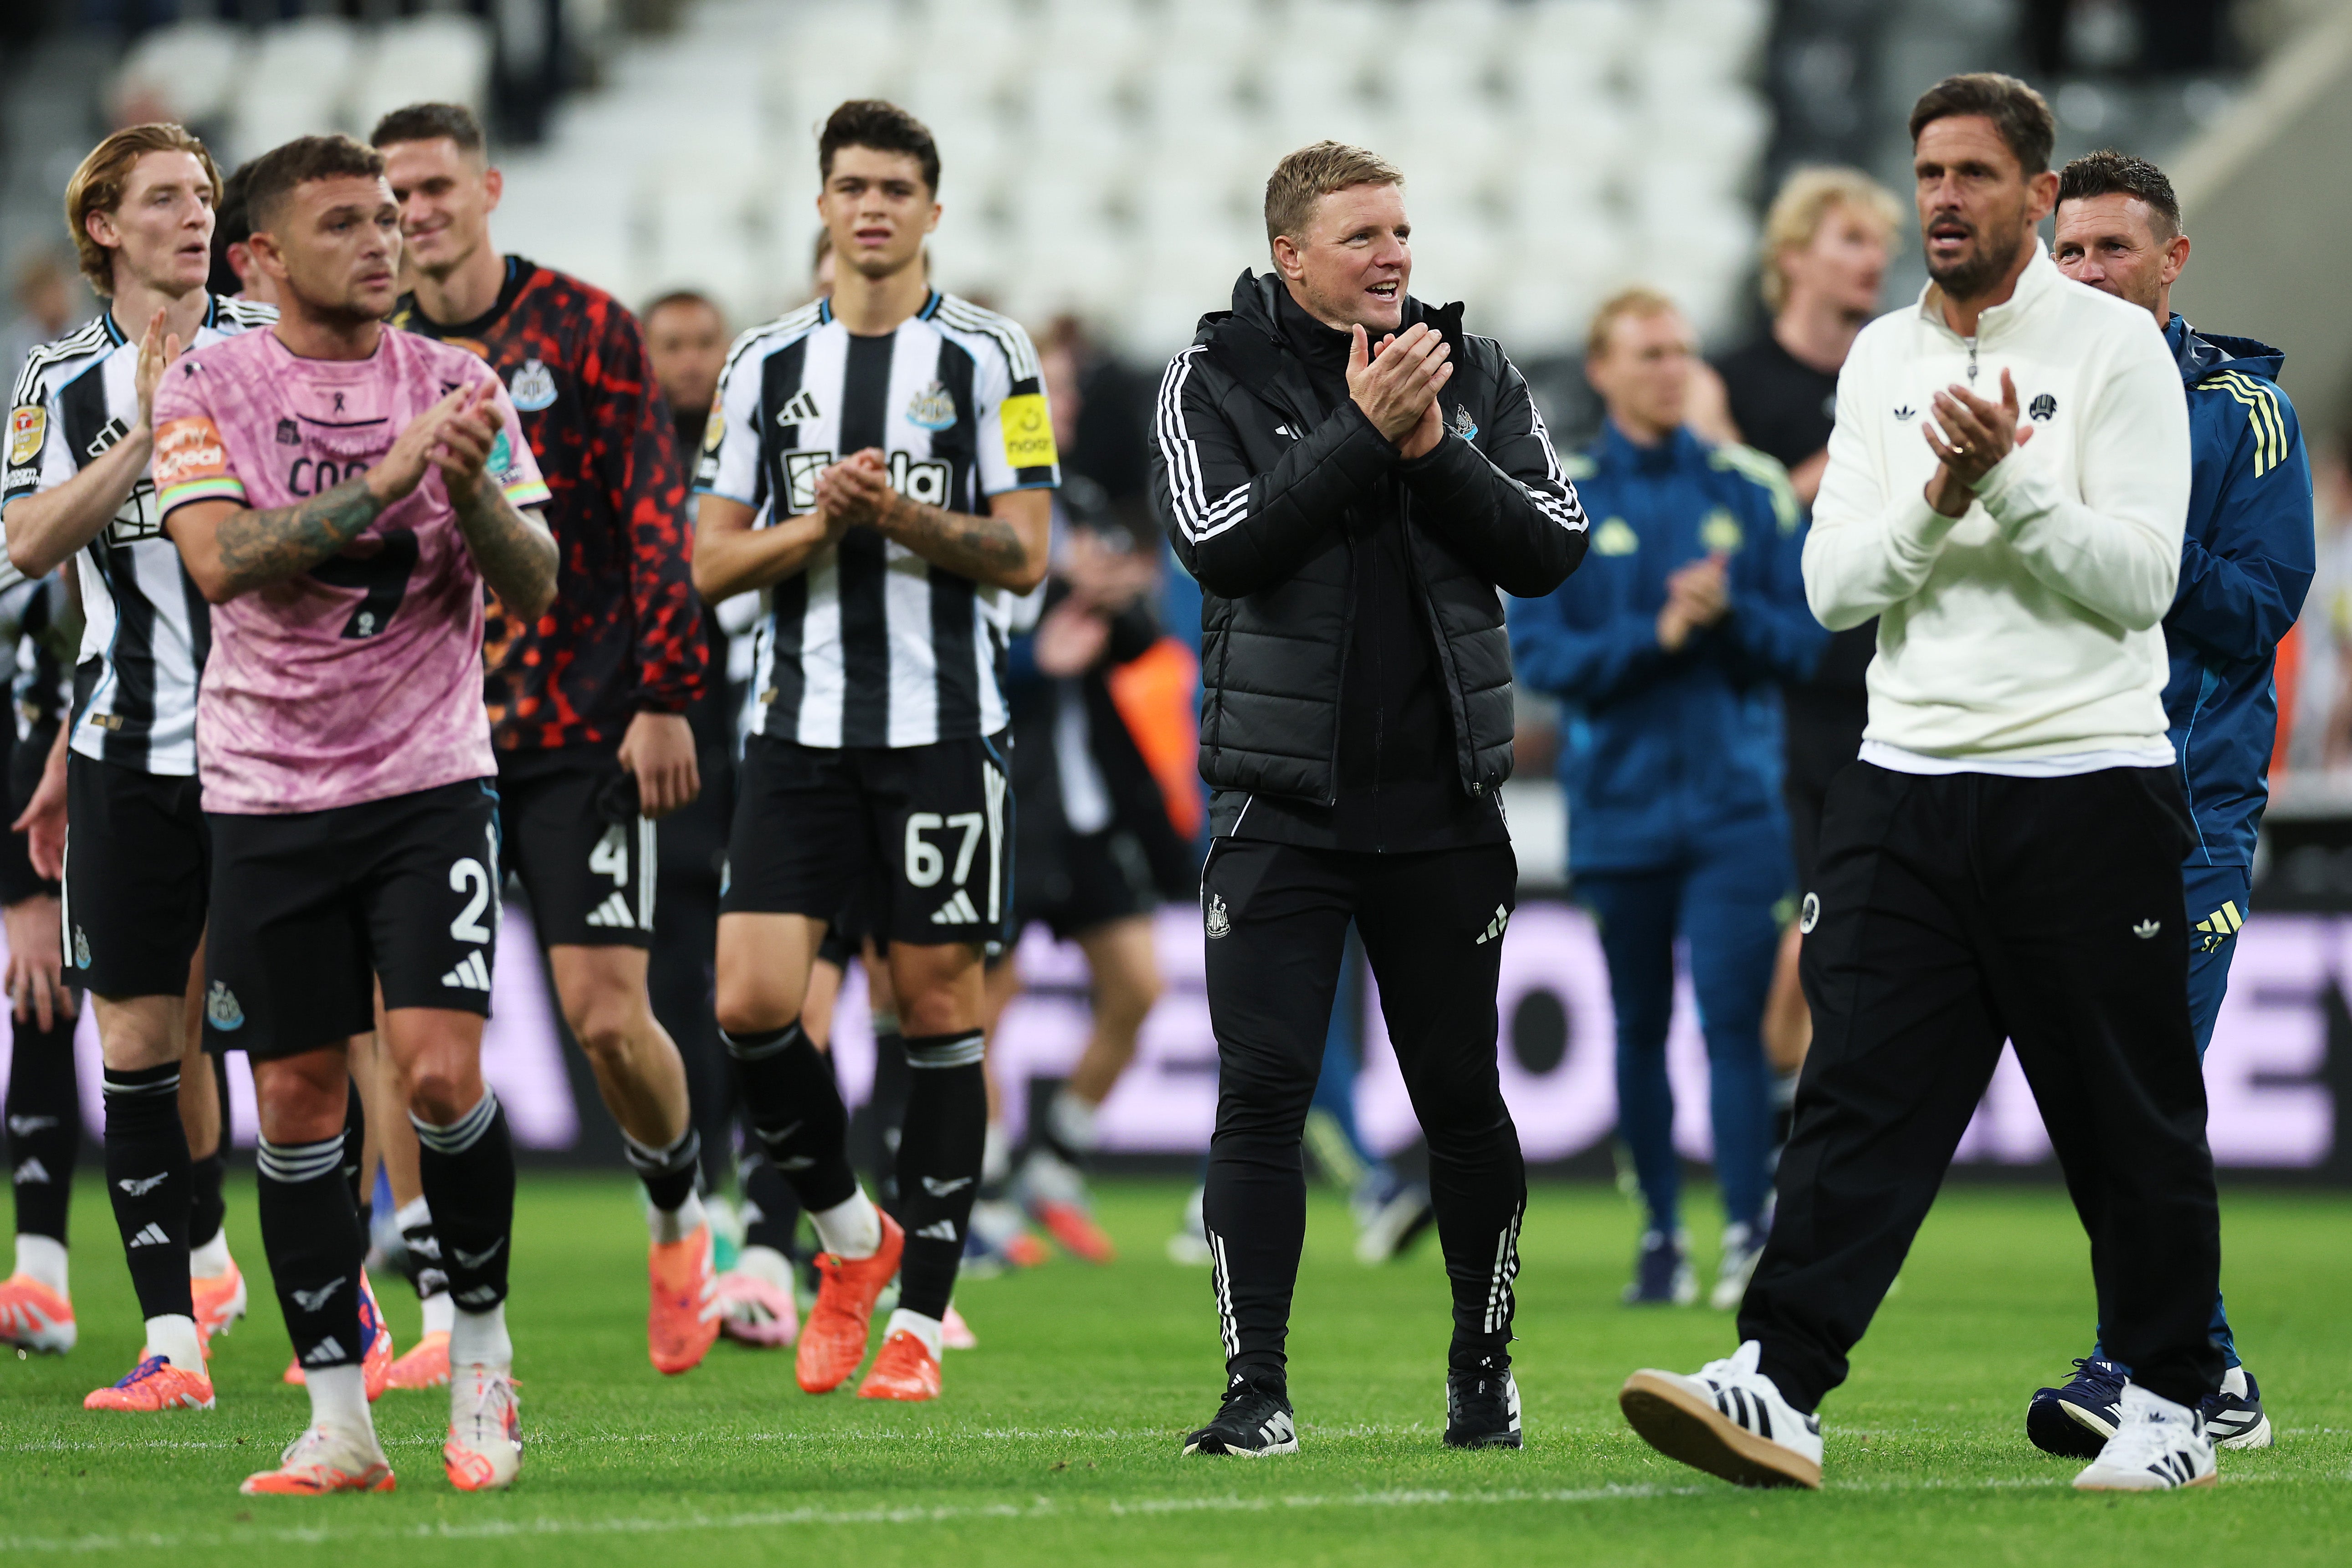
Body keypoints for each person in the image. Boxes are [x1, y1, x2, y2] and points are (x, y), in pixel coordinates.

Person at [1619, 73, 2223, 1494]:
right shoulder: (1883, 356)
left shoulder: (2118, 352)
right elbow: (1831, 588)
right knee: (1853, 1098)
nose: (1943, 198)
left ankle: (2172, 1402)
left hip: (2082, 780)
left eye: (1971, 174)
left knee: (2124, 1113)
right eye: (1927, 173)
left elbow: (2139, 584)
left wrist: (2006, 483)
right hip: (1902, 780)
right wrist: (1942, 501)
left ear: (2035, 191)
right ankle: (1777, 1379)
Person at [1153, 140, 1586, 1456]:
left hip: (1443, 807)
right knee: (1263, 1092)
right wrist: (1362, 436)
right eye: (1361, 237)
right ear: (1291, 255)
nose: (1394, 255)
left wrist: (1427, 445)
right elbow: (1220, 544)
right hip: (1277, 807)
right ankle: (1255, 1391)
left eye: (1401, 231)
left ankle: (1480, 1371)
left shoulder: (1477, 373)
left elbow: (1551, 545)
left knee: (1460, 1098)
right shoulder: (1209, 376)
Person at [150, 131, 558, 1495]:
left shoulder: (458, 378)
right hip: (265, 792)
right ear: (260, 257)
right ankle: (340, 1420)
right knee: (300, 1103)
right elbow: (219, 564)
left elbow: (540, 577)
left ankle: (482, 1358)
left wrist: (465, 491)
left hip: (430, 781)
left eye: (390, 217)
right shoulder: (206, 382)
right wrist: (387, 482)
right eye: (345, 223)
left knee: (440, 1073)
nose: (384, 240)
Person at [693, 99, 1054, 1404]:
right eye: (851, 184)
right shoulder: (762, 365)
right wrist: (817, 525)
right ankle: (852, 1237)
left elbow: (1026, 550)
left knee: (937, 1007)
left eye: (897, 187)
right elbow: (712, 560)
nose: (873, 207)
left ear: (932, 212)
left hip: (945, 731)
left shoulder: (992, 358)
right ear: (822, 203)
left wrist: (897, 509)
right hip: (797, 729)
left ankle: (918, 1321)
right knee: (748, 1002)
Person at [372, 102, 716, 1380]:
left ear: (489, 188)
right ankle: (430, 1310)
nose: (416, 209)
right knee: (404, 1034)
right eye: (394, 191)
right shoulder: (372, 348)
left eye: (435, 185)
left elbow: (651, 514)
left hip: (579, 726)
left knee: (605, 1018)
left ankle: (681, 1215)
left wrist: (667, 689)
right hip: (420, 739)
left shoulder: (583, 327)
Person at [2031, 147, 2311, 1457]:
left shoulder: (2242, 413)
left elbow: (2258, 608)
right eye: (2068, 252)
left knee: (2143, 1088)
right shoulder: (2020, 396)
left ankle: (2133, 1366)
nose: (2086, 273)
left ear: (2171, 259)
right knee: (2103, 1098)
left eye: (2110, 250)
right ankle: (2215, 1370)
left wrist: (2122, 540)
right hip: (2043, 797)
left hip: (2182, 809)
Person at [0, 123, 272, 1405]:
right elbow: (27, 546)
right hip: (126, 750)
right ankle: (174, 1338)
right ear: (103, 224)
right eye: (166, 197)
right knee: (139, 1045)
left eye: (207, 195)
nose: (197, 214)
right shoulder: (58, 377)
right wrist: (143, 437)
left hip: (278, 747)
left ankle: (362, 1310)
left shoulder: (277, 344)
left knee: (301, 1043)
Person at [1511, 287, 1824, 1312]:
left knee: (1732, 1020)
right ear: (1600, 369)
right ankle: (1658, 1233)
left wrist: (1729, 616)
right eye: (1647, 353)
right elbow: (1541, 656)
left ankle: (1745, 1229)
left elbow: (1810, 643)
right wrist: (1661, 635)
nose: (1670, 370)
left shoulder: (1752, 488)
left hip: (1736, 805)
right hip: (1620, 807)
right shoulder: (1564, 495)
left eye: (1682, 352)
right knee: (1638, 1021)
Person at [1711, 169, 1900, 1106]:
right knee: (1802, 927)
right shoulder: (1734, 383)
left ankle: (1802, 1118)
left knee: (1860, 930)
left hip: (1888, 691)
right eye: (1851, 241)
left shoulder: (1900, 367)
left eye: (1878, 244)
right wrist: (1826, 471)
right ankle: (1785, 1114)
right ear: (1791, 259)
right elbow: (1718, 535)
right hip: (1775, 697)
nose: (1876, 260)